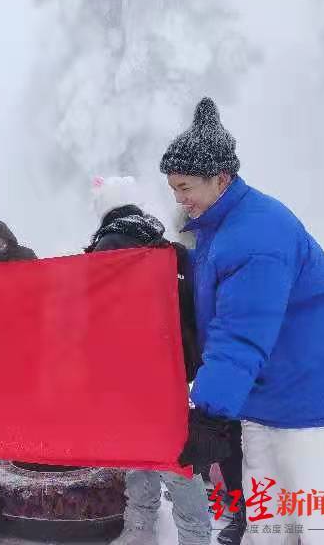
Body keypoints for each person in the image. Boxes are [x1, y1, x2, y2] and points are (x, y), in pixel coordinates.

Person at [161, 97, 324, 544]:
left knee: (318, 524)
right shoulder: (221, 228)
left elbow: (239, 335)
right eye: (173, 190)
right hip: (263, 404)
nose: (180, 200)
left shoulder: (256, 235)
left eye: (185, 188)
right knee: (269, 527)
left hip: (306, 408)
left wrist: (208, 412)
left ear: (221, 179)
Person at [85, 176, 210, 545]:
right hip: (169, 370)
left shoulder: (105, 249)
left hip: (126, 372)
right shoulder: (171, 250)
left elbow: (92, 317)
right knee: (175, 458)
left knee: (141, 449)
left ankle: (142, 527)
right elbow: (191, 310)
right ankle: (194, 535)